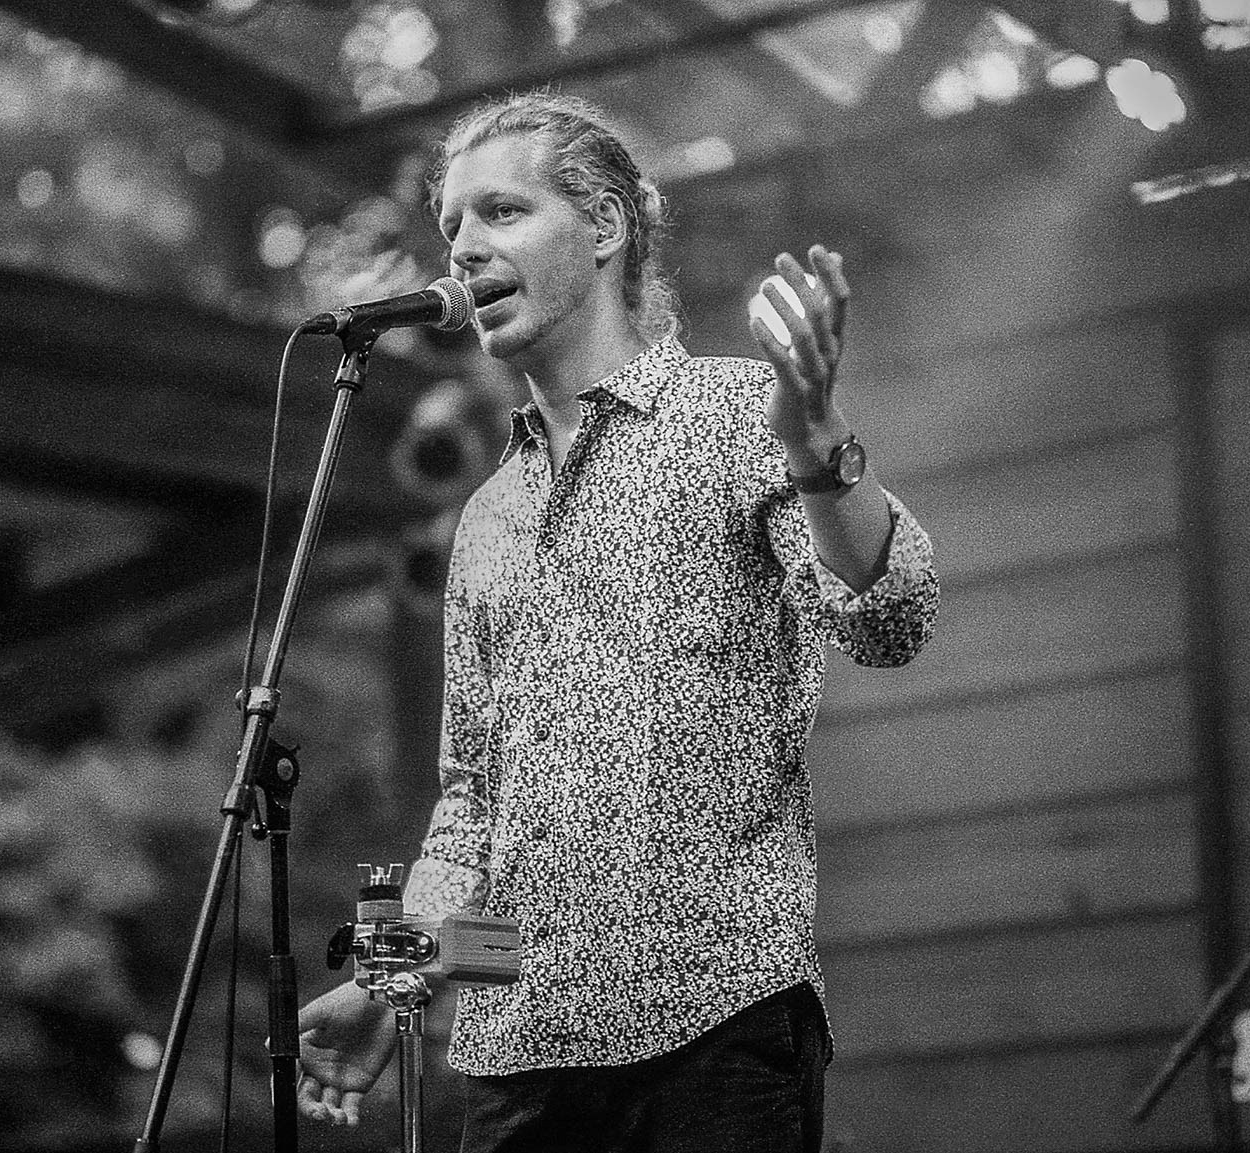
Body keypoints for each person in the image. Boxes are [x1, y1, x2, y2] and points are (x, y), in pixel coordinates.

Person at [295, 90, 939, 1152]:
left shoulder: (736, 415)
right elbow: (472, 804)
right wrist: (386, 980)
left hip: (714, 1032)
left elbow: (893, 621)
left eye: (502, 211)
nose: (464, 247)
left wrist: (818, 441)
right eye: (452, 225)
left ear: (605, 225)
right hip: (515, 1058)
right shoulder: (486, 516)